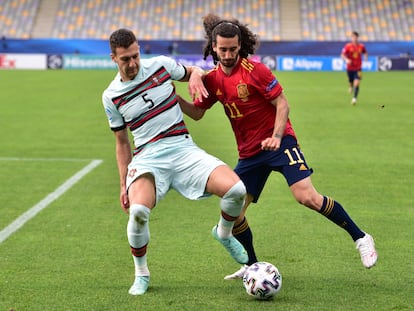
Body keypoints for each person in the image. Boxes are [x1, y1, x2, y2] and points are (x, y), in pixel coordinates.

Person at [177, 14, 378, 280]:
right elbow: (197, 113)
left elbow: (282, 103)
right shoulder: (213, 80)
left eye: (233, 49)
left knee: (306, 196)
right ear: (213, 47)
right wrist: (172, 97)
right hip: (249, 153)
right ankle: (252, 267)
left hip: (280, 142)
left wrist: (276, 135)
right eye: (223, 49)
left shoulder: (256, 71)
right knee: (234, 212)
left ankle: (361, 238)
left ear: (240, 46)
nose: (228, 55)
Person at [102, 28, 248, 295]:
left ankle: (224, 233)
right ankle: (141, 273)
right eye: (125, 59)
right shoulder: (111, 96)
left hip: (183, 149)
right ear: (114, 58)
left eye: (135, 56)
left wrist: (194, 76)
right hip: (148, 157)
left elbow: (194, 70)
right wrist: (123, 184)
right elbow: (122, 143)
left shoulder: (160, 65)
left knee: (236, 190)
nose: (133, 63)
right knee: (138, 213)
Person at [341, 31, 368, 105]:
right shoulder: (348, 46)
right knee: (351, 81)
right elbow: (342, 55)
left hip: (358, 68)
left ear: (357, 38)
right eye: (353, 37)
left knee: (357, 83)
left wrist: (366, 57)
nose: (354, 38)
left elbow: (365, 52)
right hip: (350, 68)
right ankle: (350, 86)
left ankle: (354, 98)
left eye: (355, 37)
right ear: (351, 38)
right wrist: (346, 60)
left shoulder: (361, 46)